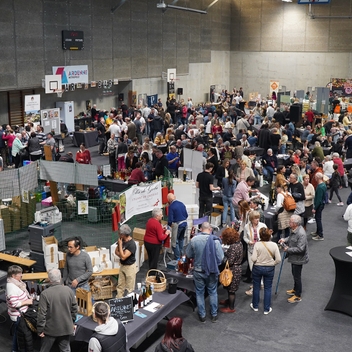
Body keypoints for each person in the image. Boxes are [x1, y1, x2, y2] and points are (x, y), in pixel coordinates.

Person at [186, 222, 224, 323]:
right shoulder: (215, 241)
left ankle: (202, 316)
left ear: (201, 229)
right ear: (210, 229)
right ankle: (214, 315)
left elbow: (188, 254)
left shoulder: (194, 240)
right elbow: (221, 257)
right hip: (211, 271)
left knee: (199, 293)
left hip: (198, 271)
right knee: (212, 292)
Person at [37, 268, 77, 352]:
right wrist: (71, 322)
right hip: (66, 328)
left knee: (44, 350)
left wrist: (40, 329)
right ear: (60, 278)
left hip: (50, 330)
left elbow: (41, 314)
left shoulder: (45, 294)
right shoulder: (69, 290)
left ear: (49, 279)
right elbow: (74, 309)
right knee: (65, 349)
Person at [279, 215, 309, 303]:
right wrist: (284, 240)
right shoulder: (294, 230)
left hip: (298, 258)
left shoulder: (301, 234)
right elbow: (291, 238)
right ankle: (295, 289)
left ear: (295, 224)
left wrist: (288, 249)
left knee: (297, 276)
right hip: (294, 257)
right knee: (294, 274)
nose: (289, 223)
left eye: (291, 222)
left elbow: (300, 249)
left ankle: (298, 295)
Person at [250, 228, 281, 314]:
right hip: (269, 268)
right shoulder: (274, 245)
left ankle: (255, 306)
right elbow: (278, 259)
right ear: (269, 235)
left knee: (256, 287)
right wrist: (272, 264)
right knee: (268, 288)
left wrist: (257, 262)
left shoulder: (257, 245)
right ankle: (266, 309)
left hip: (257, 268)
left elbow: (253, 258)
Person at [6, 265, 33, 352]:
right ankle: (15, 350)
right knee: (18, 336)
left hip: (20, 314)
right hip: (18, 315)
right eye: (19, 274)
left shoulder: (17, 283)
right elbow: (14, 304)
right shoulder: (11, 287)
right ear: (13, 276)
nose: (21, 275)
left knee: (18, 334)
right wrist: (27, 302)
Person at [243, 211, 267, 295]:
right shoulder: (247, 227)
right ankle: (260, 283)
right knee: (252, 268)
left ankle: (255, 288)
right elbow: (244, 237)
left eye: (258, 218)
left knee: (257, 269)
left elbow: (268, 236)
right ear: (251, 219)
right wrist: (249, 242)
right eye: (255, 218)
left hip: (261, 251)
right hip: (251, 250)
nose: (257, 220)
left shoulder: (263, 226)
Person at [219, 228, 243, 313]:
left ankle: (231, 308)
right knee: (230, 288)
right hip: (237, 269)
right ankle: (228, 301)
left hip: (233, 270)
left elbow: (230, 261)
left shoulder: (233, 247)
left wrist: (223, 256)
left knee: (231, 291)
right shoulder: (239, 243)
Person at [114, 224, 136, 298]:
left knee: (130, 288)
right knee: (120, 285)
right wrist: (121, 253)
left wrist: (120, 245)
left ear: (123, 234)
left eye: (120, 233)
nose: (118, 234)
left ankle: (129, 303)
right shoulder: (121, 240)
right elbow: (116, 252)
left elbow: (123, 257)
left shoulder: (131, 244)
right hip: (122, 266)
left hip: (130, 267)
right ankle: (118, 300)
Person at [167, 193, 188, 260]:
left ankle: (177, 257)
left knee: (174, 242)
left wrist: (169, 225)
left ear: (169, 200)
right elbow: (186, 215)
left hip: (177, 225)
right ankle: (182, 255)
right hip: (184, 223)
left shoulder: (171, 206)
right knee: (181, 239)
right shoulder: (181, 203)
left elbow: (170, 219)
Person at [311, 172, 327, 241]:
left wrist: (315, 208)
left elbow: (319, 199)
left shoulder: (320, 187)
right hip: (321, 204)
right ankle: (318, 232)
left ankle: (320, 235)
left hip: (319, 205)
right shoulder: (323, 185)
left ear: (317, 178)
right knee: (318, 219)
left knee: (318, 219)